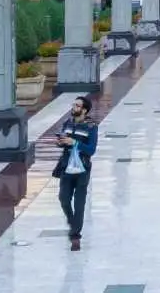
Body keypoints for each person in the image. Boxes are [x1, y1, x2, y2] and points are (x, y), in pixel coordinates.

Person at [55, 96, 98, 249]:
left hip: (82, 169)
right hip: (66, 167)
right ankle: (73, 224)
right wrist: (61, 141)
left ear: (84, 109)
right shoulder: (67, 123)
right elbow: (61, 140)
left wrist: (75, 143)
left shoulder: (91, 127)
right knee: (64, 199)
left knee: (79, 204)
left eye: (77, 105)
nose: (73, 107)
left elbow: (91, 150)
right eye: (73, 105)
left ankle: (75, 236)